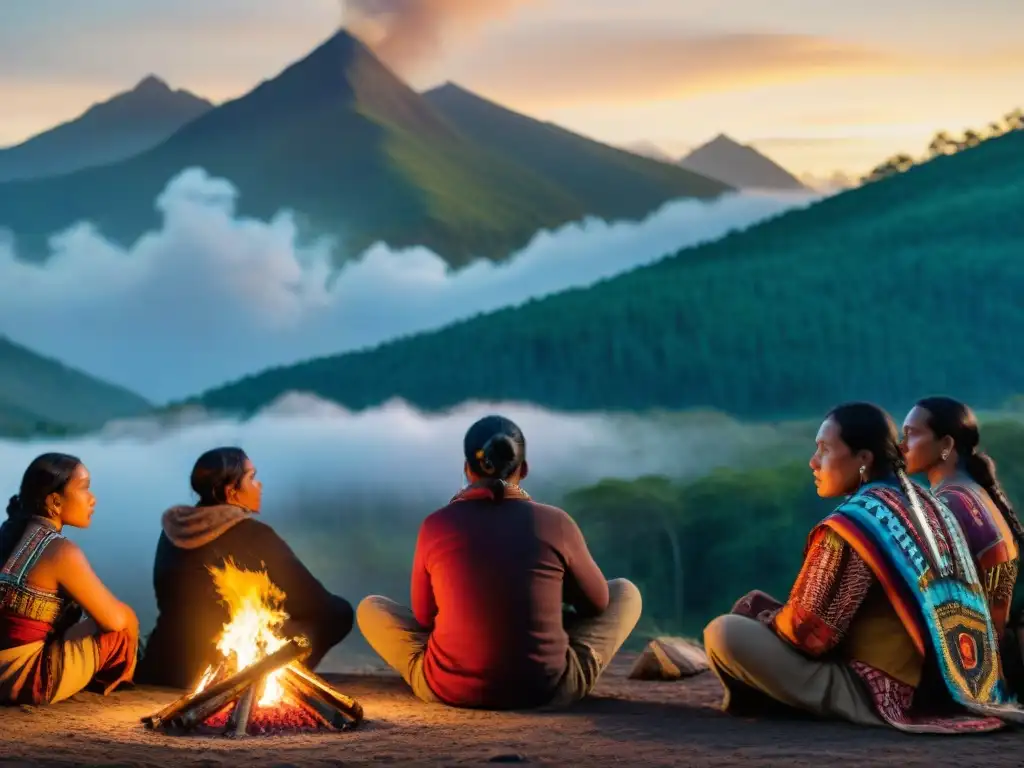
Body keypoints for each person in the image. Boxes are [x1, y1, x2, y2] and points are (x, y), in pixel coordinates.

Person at [703, 402, 1024, 733]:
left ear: (863, 459)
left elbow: (810, 636)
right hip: (957, 684)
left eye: (825, 450)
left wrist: (761, 616)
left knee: (726, 632)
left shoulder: (856, 522)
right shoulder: (928, 503)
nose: (814, 462)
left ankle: (788, 700)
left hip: (880, 691)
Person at [357, 415, 642, 710]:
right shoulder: (556, 522)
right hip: (546, 689)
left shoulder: (436, 525)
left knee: (370, 608)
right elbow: (597, 603)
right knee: (625, 592)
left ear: (468, 469)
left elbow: (426, 618)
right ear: (525, 468)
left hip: (450, 689)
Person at [136, 447, 354, 688]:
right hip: (221, 669)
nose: (258, 485)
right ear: (231, 492)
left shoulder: (173, 532)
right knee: (339, 612)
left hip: (166, 664)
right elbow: (314, 602)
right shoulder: (254, 535)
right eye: (251, 478)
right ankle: (269, 682)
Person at [0, 453, 138, 705]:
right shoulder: (60, 551)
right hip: (21, 681)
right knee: (122, 629)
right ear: (55, 501)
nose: (92, 498)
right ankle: (115, 684)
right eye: (84, 488)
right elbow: (113, 622)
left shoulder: (9, 532)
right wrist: (131, 618)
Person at [901, 397, 1021, 637]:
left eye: (912, 435)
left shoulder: (947, 504)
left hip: (978, 654)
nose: (902, 446)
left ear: (946, 444)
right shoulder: (972, 492)